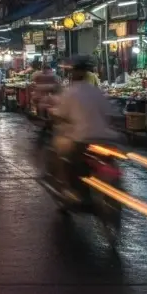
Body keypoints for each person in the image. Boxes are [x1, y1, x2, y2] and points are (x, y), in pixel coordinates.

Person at [50, 56, 118, 196]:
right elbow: (111, 113)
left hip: (82, 137)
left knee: (64, 157)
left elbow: (60, 114)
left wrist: (56, 118)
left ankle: (72, 192)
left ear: (72, 73)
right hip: (105, 137)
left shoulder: (70, 92)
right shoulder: (96, 91)